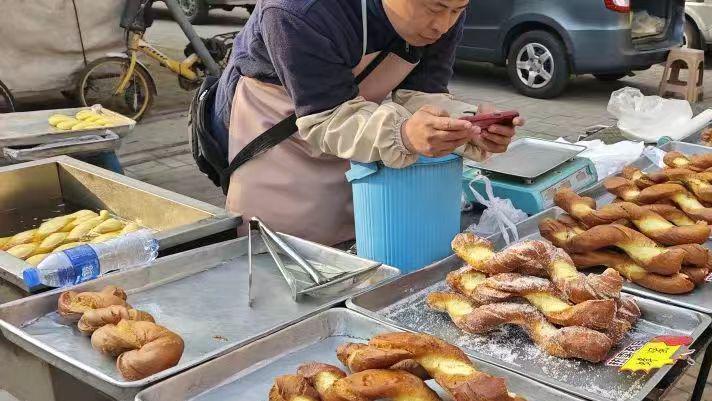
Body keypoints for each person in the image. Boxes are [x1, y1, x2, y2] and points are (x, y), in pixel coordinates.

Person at [210, 0, 524, 245]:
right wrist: (402, 134)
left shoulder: (444, 15)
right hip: (275, 130)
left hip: (358, 124)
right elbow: (327, 118)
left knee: (361, 241)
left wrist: (468, 125)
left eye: (457, 10)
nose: (442, 25)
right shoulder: (299, 11)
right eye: (435, 7)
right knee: (279, 255)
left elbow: (422, 93)